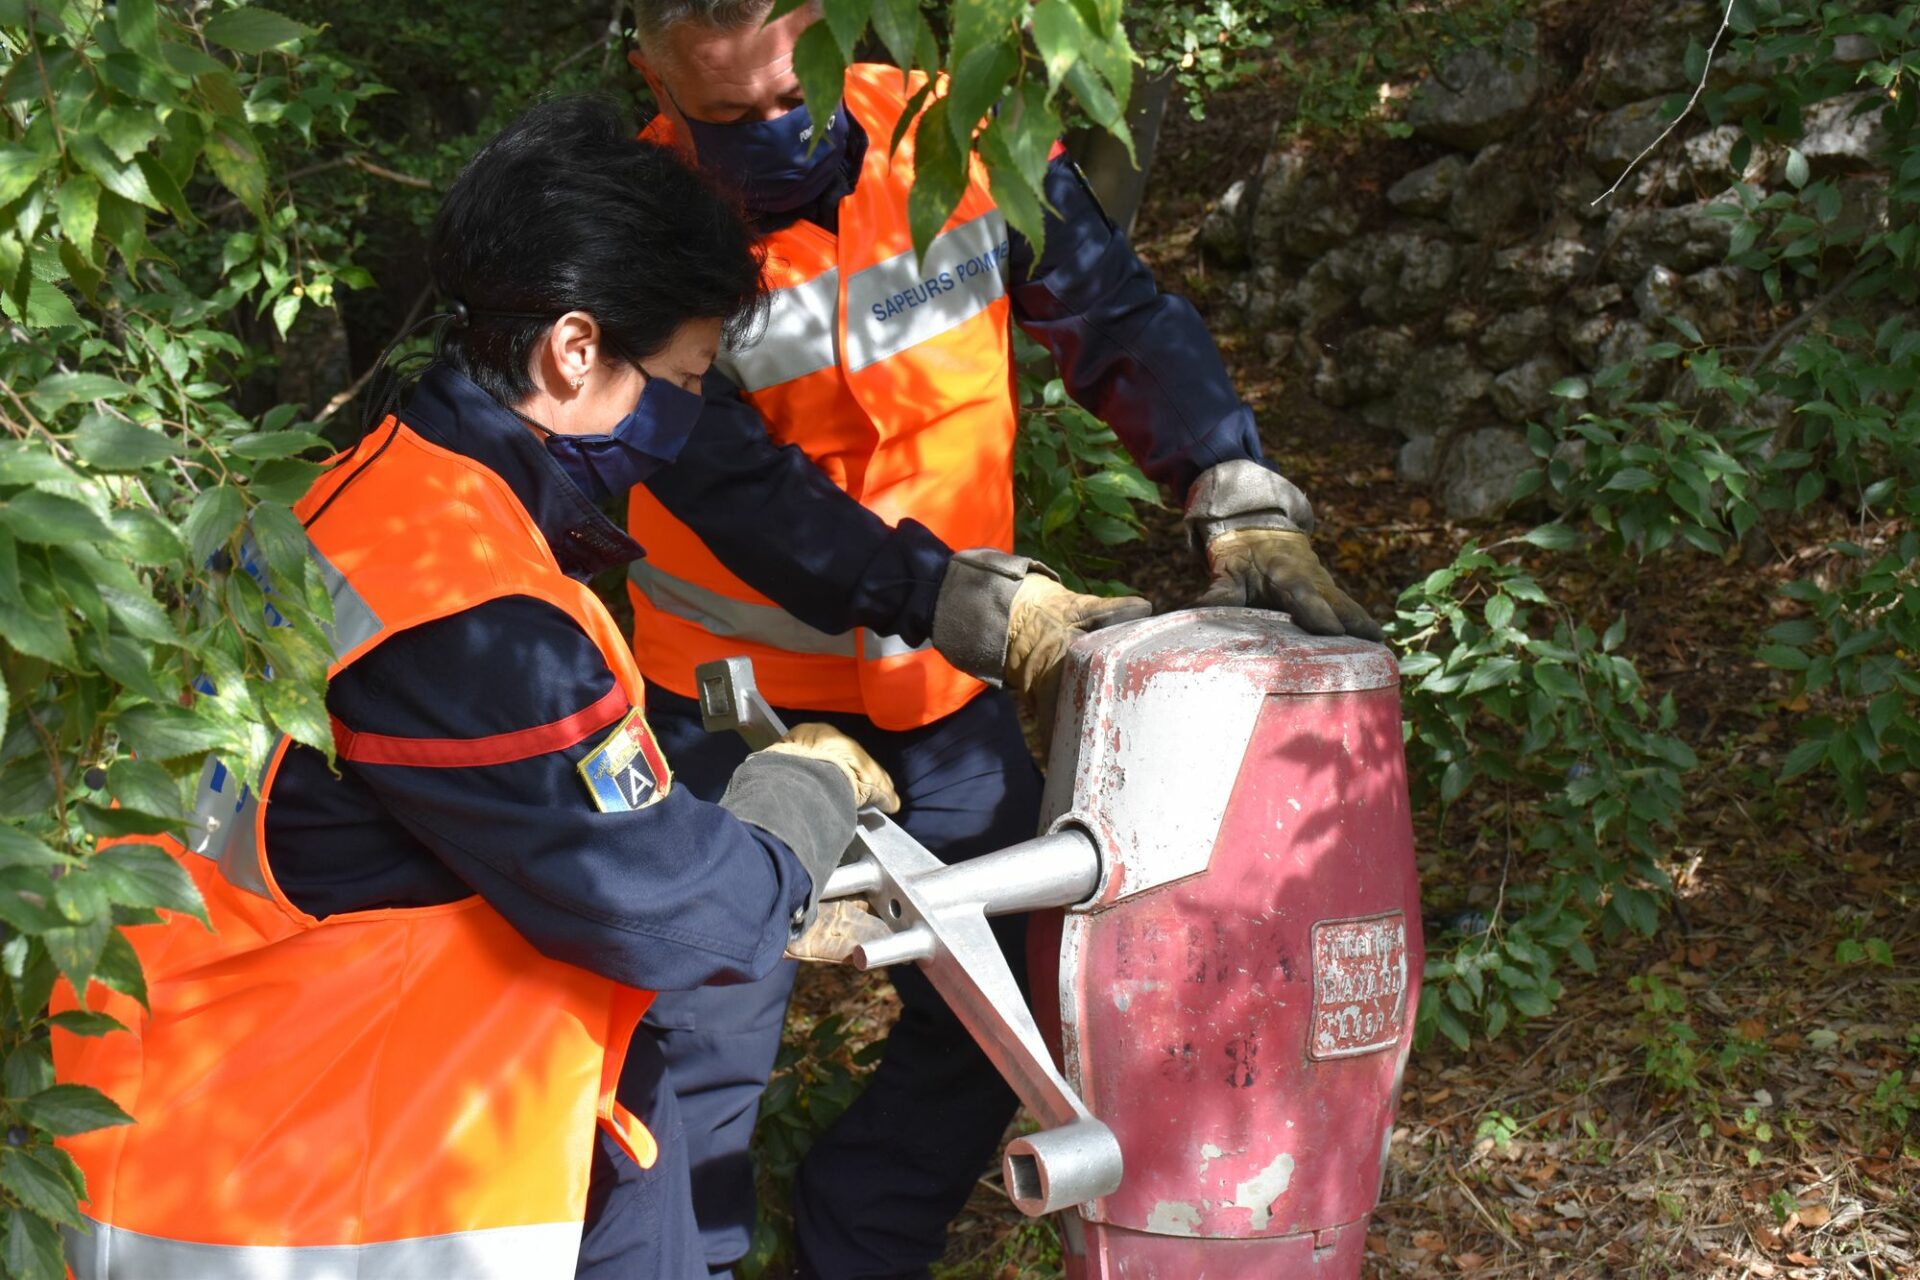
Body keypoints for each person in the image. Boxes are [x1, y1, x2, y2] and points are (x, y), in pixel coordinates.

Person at [51, 95, 899, 1280]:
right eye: (690, 376)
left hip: (240, 1104)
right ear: (574, 348)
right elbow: (676, 907)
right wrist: (799, 798)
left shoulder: (348, 503)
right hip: (313, 1193)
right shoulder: (463, 613)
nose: (693, 416)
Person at [619, 5, 1387, 1277]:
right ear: (646, 63)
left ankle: (858, 1234)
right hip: (728, 703)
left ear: (816, 23)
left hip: (942, 688)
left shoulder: (960, 133)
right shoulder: (633, 232)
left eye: (780, 106)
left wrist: (1230, 481)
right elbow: (742, 493)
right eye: (726, 121)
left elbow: (1117, 317)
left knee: (1012, 1007)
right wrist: (993, 607)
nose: (766, 140)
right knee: (702, 1033)